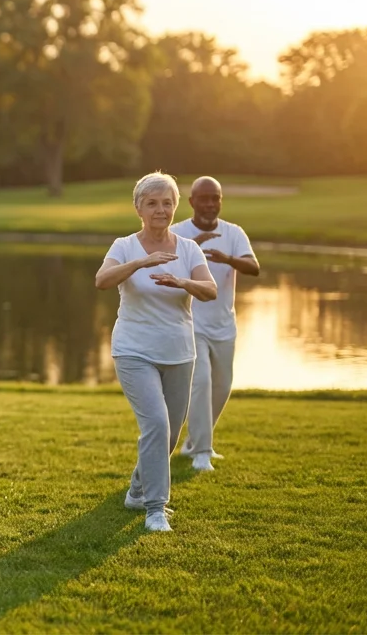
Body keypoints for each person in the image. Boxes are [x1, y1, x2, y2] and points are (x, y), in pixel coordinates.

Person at [95, 172, 217, 532]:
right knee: (157, 424)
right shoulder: (124, 246)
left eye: (167, 203)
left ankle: (136, 489)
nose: (160, 210)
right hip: (134, 351)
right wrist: (140, 264)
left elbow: (209, 290)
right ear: (139, 208)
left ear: (175, 206)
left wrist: (182, 282)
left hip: (179, 351)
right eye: (152, 203)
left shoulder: (189, 249)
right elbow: (102, 281)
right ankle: (155, 508)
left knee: (168, 434)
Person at [172, 176, 260, 471]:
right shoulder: (179, 232)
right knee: (201, 382)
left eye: (215, 198)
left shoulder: (233, 233)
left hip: (225, 324)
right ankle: (202, 452)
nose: (210, 204)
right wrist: (190, 248)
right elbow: (160, 265)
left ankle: (193, 443)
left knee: (222, 387)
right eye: (204, 198)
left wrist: (228, 259)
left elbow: (254, 267)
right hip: (191, 322)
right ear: (192, 202)